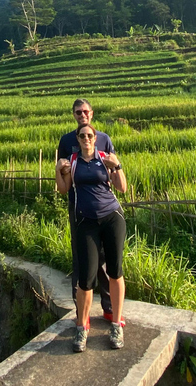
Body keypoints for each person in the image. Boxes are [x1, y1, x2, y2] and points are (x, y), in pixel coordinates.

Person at [56, 124, 127, 352]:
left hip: (111, 218)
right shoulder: (72, 161)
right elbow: (63, 189)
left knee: (115, 271)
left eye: (90, 135)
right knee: (86, 278)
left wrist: (117, 166)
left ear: (96, 139)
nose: (86, 138)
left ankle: (116, 323)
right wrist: (58, 171)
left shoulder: (106, 157)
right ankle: (81, 327)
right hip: (85, 222)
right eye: (82, 136)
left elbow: (122, 188)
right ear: (77, 139)